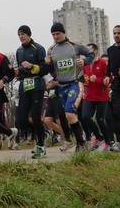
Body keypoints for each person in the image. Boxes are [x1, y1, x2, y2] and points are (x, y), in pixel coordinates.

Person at [45, 22, 94, 153]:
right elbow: (51, 71)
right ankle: (81, 142)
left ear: (64, 33)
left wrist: (84, 61)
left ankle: (81, 143)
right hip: (61, 86)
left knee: (70, 113)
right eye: (53, 34)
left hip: (75, 83)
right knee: (69, 116)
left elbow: (91, 54)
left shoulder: (75, 46)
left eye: (58, 34)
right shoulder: (51, 50)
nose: (56, 36)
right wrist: (48, 64)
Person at [14, 25, 48, 158]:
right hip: (24, 85)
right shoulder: (19, 51)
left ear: (29, 34)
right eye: (19, 35)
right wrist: (17, 72)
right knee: (21, 119)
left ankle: (41, 145)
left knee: (35, 116)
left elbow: (45, 68)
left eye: (23, 34)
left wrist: (32, 66)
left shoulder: (38, 48)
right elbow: (20, 68)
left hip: (37, 84)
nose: (21, 37)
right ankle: (41, 133)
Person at [82, 43, 112, 151]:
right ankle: (99, 137)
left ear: (95, 51)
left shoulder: (103, 63)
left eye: (89, 50)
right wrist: (85, 79)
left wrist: (98, 79)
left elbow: (109, 78)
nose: (87, 52)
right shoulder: (85, 64)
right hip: (89, 95)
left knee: (100, 119)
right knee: (85, 117)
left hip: (101, 96)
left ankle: (108, 143)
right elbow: (84, 78)